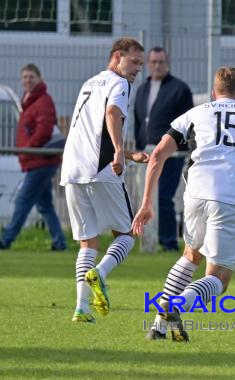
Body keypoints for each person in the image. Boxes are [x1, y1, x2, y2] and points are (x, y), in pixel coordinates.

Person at [132, 66, 235, 342]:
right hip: (230, 200)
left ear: (214, 92)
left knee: (190, 255)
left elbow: (157, 154)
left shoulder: (196, 112)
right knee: (219, 278)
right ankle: (177, 306)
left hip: (195, 195)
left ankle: (158, 327)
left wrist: (146, 202)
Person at [60, 37, 149, 323]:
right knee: (126, 235)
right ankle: (101, 272)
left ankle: (81, 309)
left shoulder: (90, 83)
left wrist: (128, 153)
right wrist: (121, 152)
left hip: (72, 169)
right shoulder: (119, 83)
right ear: (117, 57)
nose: (138, 69)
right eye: (134, 62)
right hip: (100, 169)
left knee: (88, 243)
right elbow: (111, 114)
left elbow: (92, 130)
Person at [0, 64, 67, 251]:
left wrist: (28, 149)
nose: (27, 80)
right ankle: (59, 242)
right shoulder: (29, 100)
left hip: (41, 160)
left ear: (39, 78)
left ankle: (6, 240)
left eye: (31, 77)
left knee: (23, 200)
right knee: (45, 206)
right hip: (36, 160)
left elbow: (44, 130)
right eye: (25, 77)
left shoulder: (43, 101)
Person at [134, 46, 194, 251]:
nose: (157, 66)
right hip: (147, 153)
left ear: (167, 63)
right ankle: (148, 241)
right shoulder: (142, 89)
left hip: (171, 154)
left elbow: (187, 123)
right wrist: (138, 147)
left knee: (164, 197)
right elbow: (138, 120)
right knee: (146, 198)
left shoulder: (179, 89)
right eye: (153, 62)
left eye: (161, 62)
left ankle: (168, 242)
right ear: (148, 64)